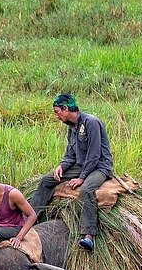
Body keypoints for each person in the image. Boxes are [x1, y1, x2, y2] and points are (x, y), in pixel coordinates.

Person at [30, 93, 113, 252]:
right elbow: (71, 154)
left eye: (57, 111)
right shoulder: (71, 128)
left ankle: (88, 235)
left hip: (99, 167)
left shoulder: (91, 123)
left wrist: (82, 178)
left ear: (66, 108)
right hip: (81, 165)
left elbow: (94, 154)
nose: (56, 116)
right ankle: (31, 218)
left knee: (87, 190)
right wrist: (62, 166)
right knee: (46, 180)